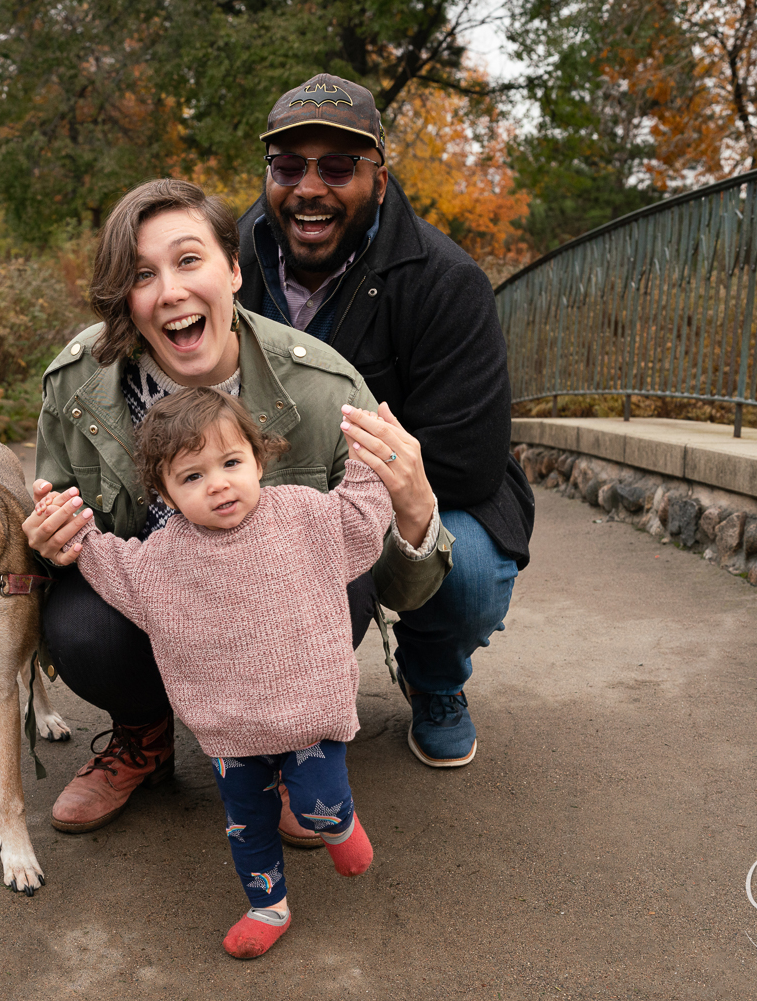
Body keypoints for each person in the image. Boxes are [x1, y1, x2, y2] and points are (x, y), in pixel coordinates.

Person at [23, 178, 453, 839]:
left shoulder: (322, 388)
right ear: (126, 299)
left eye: (189, 260)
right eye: (142, 274)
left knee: (347, 582)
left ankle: (291, 746)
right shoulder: (77, 383)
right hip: (156, 594)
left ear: (233, 269)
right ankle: (145, 734)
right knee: (77, 618)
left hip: (278, 615)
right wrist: (46, 543)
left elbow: (397, 587)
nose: (169, 291)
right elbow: (61, 525)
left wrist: (418, 510)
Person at [237, 73, 536, 768]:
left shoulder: (445, 279)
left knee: (467, 572)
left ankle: (434, 677)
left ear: (378, 177)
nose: (309, 187)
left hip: (412, 493)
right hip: (262, 486)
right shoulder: (226, 260)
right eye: (288, 166)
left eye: (338, 166)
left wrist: (337, 502)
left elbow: (467, 459)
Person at [36, 386, 390, 958]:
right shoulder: (162, 557)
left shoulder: (304, 514)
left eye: (231, 463)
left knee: (320, 799)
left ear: (257, 456)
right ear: (165, 493)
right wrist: (72, 530)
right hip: (229, 732)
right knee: (246, 826)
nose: (219, 483)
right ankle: (267, 907)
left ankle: (339, 824)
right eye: (192, 476)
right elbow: (111, 562)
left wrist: (371, 459)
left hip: (310, 713)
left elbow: (361, 517)